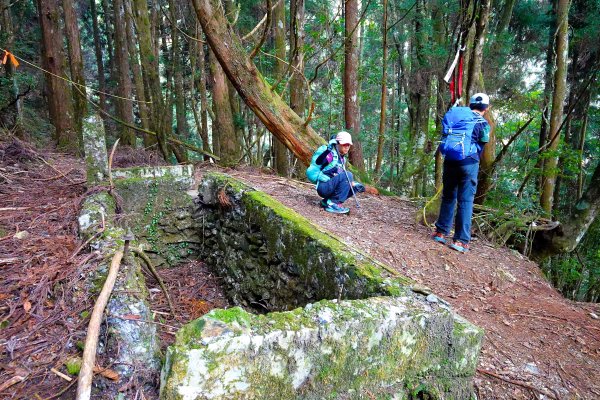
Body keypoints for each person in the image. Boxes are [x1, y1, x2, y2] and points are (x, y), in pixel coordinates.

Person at [432, 93, 491, 253]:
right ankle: (460, 241)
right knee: (465, 201)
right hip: (469, 164)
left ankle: (440, 233)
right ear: (486, 108)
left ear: (471, 105)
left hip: (450, 161)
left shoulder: (457, 116)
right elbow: (483, 143)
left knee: (448, 196)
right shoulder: (483, 124)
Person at [306, 131, 365, 214]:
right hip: (324, 186)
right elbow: (315, 165)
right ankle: (332, 204)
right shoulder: (329, 152)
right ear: (338, 143)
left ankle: (327, 201)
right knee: (349, 175)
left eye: (348, 145)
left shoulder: (342, 159)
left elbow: (341, 178)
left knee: (354, 186)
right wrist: (327, 151)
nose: (347, 147)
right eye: (344, 144)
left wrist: (354, 184)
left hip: (332, 186)